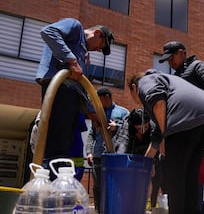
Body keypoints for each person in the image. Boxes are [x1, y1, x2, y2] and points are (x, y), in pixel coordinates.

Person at [129, 69, 204, 214]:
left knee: (174, 177)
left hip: (186, 118)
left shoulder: (146, 81)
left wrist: (165, 135)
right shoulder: (169, 83)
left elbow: (158, 102)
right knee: (190, 175)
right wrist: (146, 163)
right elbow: (157, 136)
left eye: (133, 95)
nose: (136, 100)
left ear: (134, 87)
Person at [35, 18, 114, 176]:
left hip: (71, 94)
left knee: (64, 145)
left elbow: (81, 87)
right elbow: (48, 32)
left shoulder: (83, 53)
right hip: (59, 89)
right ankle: (47, 184)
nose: (99, 49)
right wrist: (71, 60)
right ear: (97, 33)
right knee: (56, 143)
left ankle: (57, 185)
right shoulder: (75, 26)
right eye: (102, 44)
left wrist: (91, 112)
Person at [85, 87, 129, 214]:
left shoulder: (123, 112)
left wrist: (117, 127)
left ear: (106, 98)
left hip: (115, 156)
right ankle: (99, 210)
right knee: (98, 185)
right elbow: (91, 134)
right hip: (98, 155)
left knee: (115, 185)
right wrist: (89, 152)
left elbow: (130, 131)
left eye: (99, 100)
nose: (97, 104)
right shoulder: (97, 114)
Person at [112, 108, 166, 209]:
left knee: (155, 178)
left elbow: (155, 145)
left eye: (145, 127)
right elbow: (123, 145)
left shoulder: (153, 124)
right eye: (138, 128)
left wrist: (152, 163)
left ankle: (152, 205)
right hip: (132, 154)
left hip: (151, 154)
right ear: (132, 125)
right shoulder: (126, 125)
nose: (142, 130)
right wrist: (121, 164)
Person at [158, 41, 204, 108]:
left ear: (181, 53)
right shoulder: (174, 78)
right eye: (168, 60)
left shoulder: (198, 66)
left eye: (171, 58)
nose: (170, 63)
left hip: (200, 115)